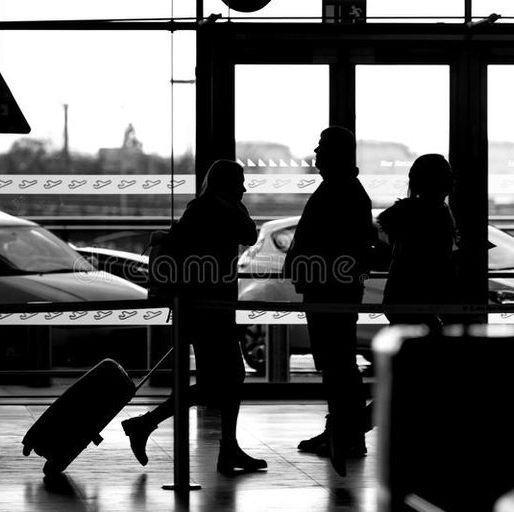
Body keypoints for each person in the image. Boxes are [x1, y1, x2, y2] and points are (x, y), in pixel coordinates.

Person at [121, 159, 267, 475]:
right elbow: (249, 233)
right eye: (239, 182)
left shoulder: (201, 208)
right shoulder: (213, 208)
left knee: (222, 380)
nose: (243, 188)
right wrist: (232, 205)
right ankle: (148, 424)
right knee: (225, 380)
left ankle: (220, 444)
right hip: (207, 309)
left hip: (207, 308)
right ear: (225, 183)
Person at [284, 126, 375, 477]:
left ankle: (345, 432)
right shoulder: (344, 189)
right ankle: (342, 431)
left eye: (322, 147)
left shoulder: (341, 190)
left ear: (336, 153)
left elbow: (342, 241)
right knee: (338, 362)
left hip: (330, 288)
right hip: (331, 286)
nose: (316, 152)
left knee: (337, 363)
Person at [377, 153, 458, 329]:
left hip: (401, 296)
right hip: (422, 299)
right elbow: (435, 261)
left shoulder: (406, 214)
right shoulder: (438, 215)